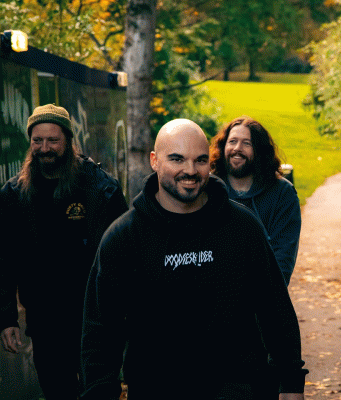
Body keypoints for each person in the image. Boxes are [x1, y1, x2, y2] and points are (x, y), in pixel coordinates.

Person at [80, 119, 307, 400]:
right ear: (154, 160)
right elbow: (100, 331)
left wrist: (291, 382)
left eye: (200, 160)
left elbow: (275, 308)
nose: (190, 170)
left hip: (239, 388)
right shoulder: (124, 237)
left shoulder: (242, 227)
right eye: (177, 159)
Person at [0, 104, 128, 399]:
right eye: (37, 140)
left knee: (99, 392)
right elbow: (4, 259)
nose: (44, 148)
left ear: (69, 141)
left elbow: (124, 254)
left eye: (53, 140)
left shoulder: (100, 189)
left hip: (95, 319)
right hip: (45, 322)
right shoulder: (14, 195)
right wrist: (6, 318)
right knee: (57, 391)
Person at [210, 116, 301, 286]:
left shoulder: (282, 194)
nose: (237, 148)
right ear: (223, 146)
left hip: (261, 296)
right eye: (232, 141)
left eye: (247, 143)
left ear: (259, 150)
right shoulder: (207, 189)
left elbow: (282, 261)